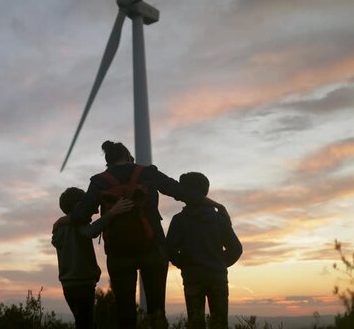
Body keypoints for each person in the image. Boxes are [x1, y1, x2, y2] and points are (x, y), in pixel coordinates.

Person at [53, 141, 226, 329]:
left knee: (125, 313)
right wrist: (213, 203)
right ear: (128, 157)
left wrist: (64, 220)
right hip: (153, 250)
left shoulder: (99, 181)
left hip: (119, 255)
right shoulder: (148, 173)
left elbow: (80, 215)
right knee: (156, 310)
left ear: (108, 162)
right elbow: (179, 191)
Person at [166, 172, 242, 329]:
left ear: (188, 192)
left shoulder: (179, 220)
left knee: (195, 323)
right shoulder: (219, 219)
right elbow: (236, 249)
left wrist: (184, 264)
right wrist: (220, 263)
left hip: (193, 277)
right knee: (220, 323)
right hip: (217, 277)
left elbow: (169, 250)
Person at [52, 187, 133, 329]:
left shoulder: (60, 228)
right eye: (86, 204)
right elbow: (92, 231)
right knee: (86, 323)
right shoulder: (77, 224)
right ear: (78, 206)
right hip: (83, 283)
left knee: (82, 321)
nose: (91, 209)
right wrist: (112, 212)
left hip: (67, 285)